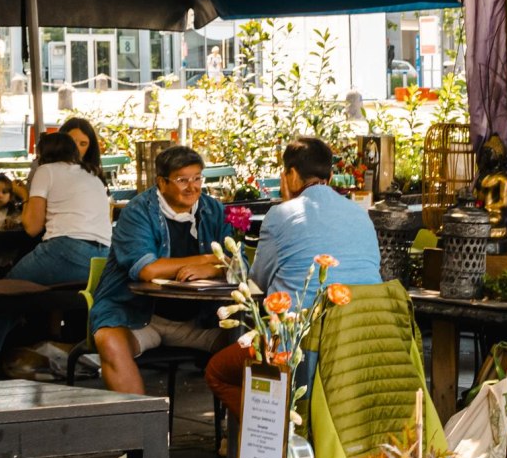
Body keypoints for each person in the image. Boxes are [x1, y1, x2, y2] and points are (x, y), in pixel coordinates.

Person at [203, 137, 382, 419]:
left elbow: (257, 283)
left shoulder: (281, 214)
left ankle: (274, 438)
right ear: (331, 176)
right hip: (362, 338)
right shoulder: (360, 214)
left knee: (218, 371)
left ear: (291, 174)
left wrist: (285, 207)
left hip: (299, 345)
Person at [88, 146, 233, 395]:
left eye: (197, 178)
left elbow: (235, 262)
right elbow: (147, 269)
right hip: (139, 316)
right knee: (110, 342)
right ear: (161, 182)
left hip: (200, 321)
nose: (192, 187)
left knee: (250, 345)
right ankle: (140, 430)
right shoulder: (138, 211)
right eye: (182, 180)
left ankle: (241, 432)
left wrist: (210, 270)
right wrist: (208, 259)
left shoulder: (213, 211)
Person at [0, 133, 111, 356]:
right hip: (101, 261)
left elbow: (32, 226)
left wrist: (24, 195)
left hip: (66, 250)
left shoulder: (47, 171)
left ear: (43, 155)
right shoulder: (92, 175)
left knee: (6, 293)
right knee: (21, 294)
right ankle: (13, 349)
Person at [59, 117, 107, 185]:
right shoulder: (47, 171)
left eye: (83, 144)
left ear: (90, 147)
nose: (76, 148)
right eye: (72, 142)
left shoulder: (92, 175)